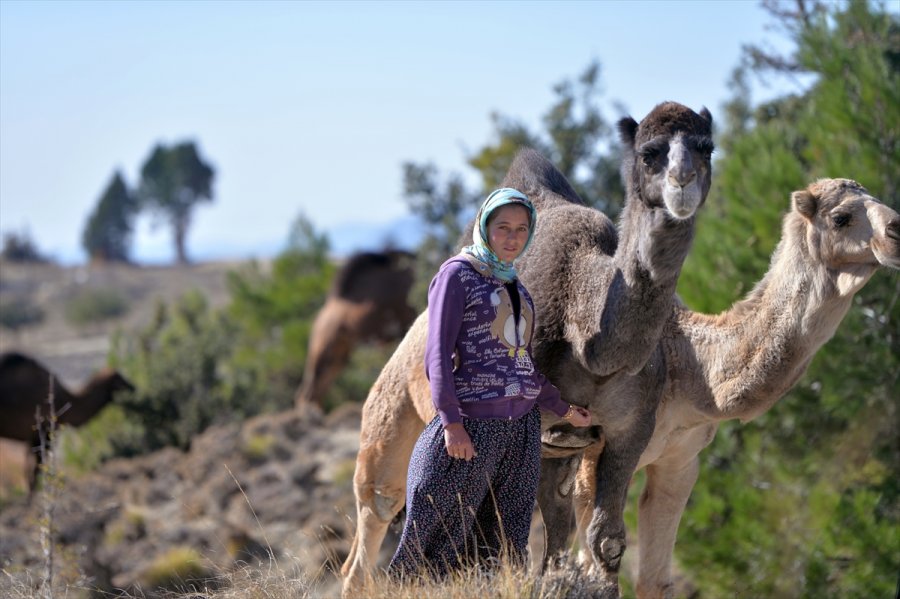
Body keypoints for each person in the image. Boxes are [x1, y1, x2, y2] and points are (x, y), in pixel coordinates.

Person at [388, 187, 592, 580]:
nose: (512, 237)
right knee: (433, 539)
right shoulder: (457, 275)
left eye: (521, 229)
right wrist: (451, 423)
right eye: (503, 228)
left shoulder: (517, 286)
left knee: (504, 543)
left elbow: (521, 363)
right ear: (485, 227)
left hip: (521, 433)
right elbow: (436, 357)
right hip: (472, 427)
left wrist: (563, 409)